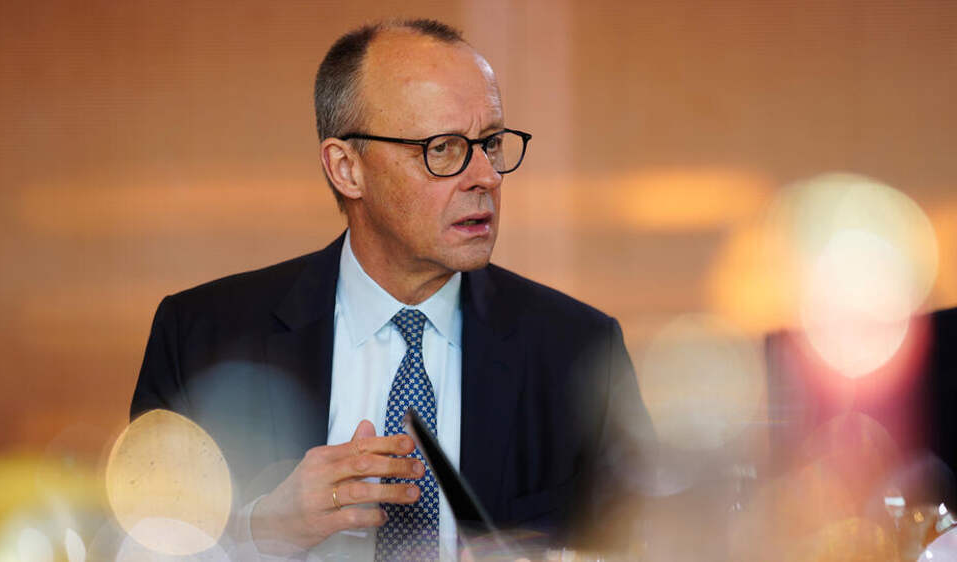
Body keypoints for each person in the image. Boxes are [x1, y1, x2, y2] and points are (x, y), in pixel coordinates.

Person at [131, 18, 653, 561]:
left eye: (491, 144)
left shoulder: (580, 352)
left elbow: (650, 544)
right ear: (346, 169)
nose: (487, 177)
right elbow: (141, 545)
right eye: (443, 148)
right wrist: (258, 530)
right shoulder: (198, 337)